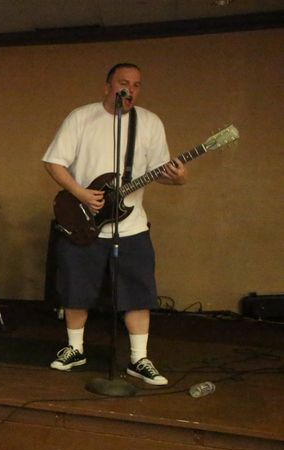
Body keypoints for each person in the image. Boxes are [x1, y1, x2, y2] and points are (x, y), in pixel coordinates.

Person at [42, 63, 188, 385]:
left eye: (136, 85)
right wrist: (81, 193)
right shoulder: (81, 117)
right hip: (83, 221)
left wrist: (178, 178)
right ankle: (75, 348)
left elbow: (160, 172)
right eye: (124, 83)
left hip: (131, 225)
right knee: (76, 288)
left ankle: (139, 358)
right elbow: (53, 162)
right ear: (107, 86)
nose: (130, 90)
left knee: (137, 291)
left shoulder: (149, 123)